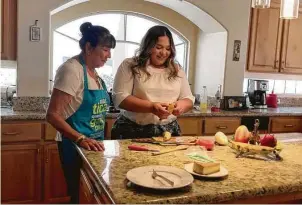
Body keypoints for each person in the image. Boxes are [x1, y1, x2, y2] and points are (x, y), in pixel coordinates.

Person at [46, 22, 116, 203]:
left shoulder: (95, 74)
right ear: (88, 47)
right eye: (106, 49)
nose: (109, 55)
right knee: (80, 195)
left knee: (92, 194)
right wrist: (81, 139)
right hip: (74, 145)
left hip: (95, 145)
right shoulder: (72, 70)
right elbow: (52, 115)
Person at [111, 25, 194, 139]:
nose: (164, 53)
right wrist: (151, 107)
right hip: (132, 130)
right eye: (159, 47)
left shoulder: (177, 69)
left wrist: (180, 106)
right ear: (148, 46)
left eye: (168, 48)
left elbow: (188, 98)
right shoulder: (130, 65)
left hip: (168, 131)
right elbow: (120, 98)